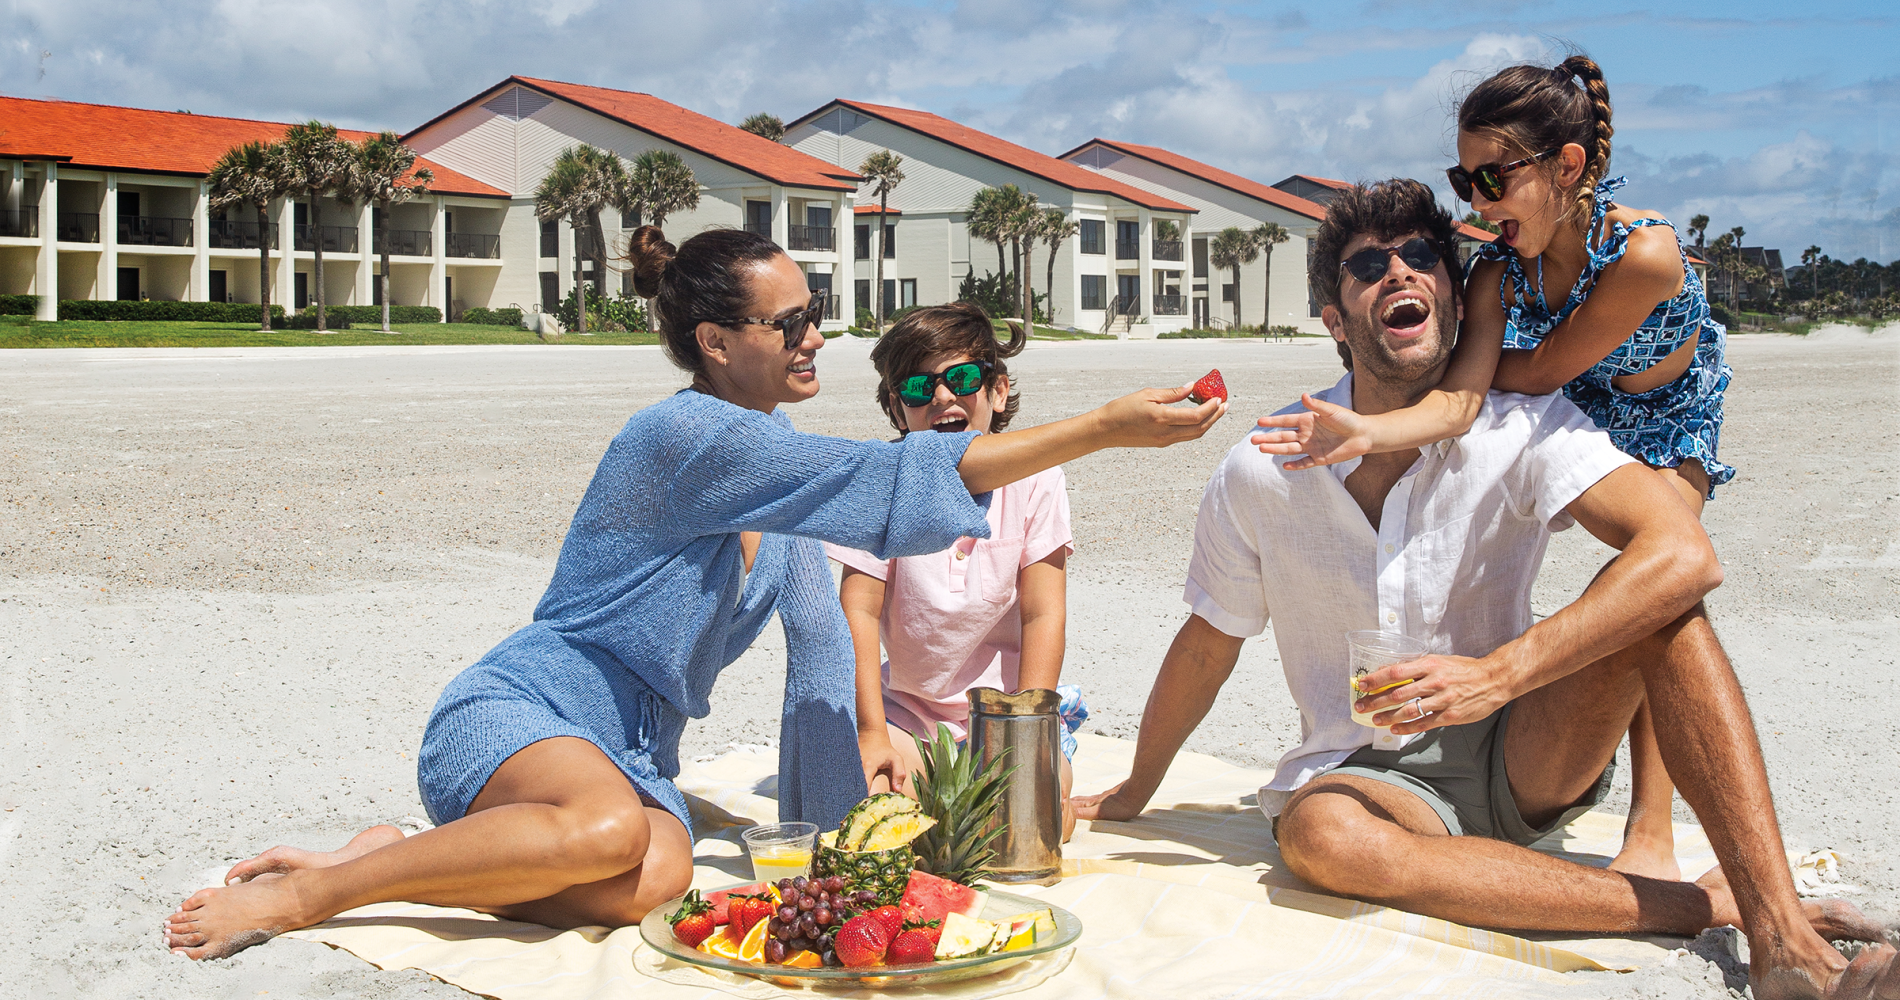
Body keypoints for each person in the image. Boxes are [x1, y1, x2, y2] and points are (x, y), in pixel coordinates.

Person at [164, 227, 1227, 960]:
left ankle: (394, 854)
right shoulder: (680, 437)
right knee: (599, 832)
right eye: (788, 323)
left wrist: (848, 840)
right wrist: (1101, 428)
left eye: (814, 312)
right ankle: (306, 893)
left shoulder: (776, 454)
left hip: (632, 753)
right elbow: (886, 479)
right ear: (716, 343)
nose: (815, 336)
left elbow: (820, 650)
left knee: (658, 877)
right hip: (526, 708)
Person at [1074, 181, 1894, 999]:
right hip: (1372, 778)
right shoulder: (1264, 464)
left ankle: (1782, 942)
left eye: (1423, 256)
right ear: (1334, 318)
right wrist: (1136, 789)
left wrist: (1497, 676)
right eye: (1369, 265)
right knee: (1320, 834)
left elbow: (1685, 554)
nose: (1401, 273)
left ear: (1454, 300)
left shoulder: (1518, 426)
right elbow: (1210, 638)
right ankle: (1694, 903)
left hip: (1527, 748)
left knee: (1660, 600)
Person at [1254, 54, 1733, 879]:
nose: (1477, 201)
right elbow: (1459, 405)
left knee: (1661, 582)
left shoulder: (1644, 255)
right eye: (1465, 179)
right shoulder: (1496, 269)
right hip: (1570, 382)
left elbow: (1535, 375)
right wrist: (1378, 426)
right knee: (1643, 586)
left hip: (1663, 415)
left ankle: (1651, 829)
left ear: (1568, 167)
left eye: (1493, 178)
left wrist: (1431, 362)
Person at [826, 303, 1084, 841]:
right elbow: (859, 612)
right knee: (876, 816)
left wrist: (1028, 739)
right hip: (908, 713)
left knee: (1038, 825)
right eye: (919, 389)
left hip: (1006, 713)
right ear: (899, 411)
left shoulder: (1037, 480)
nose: (942, 397)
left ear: (997, 391)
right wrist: (872, 730)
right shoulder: (884, 480)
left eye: (962, 378)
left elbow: (1043, 614)